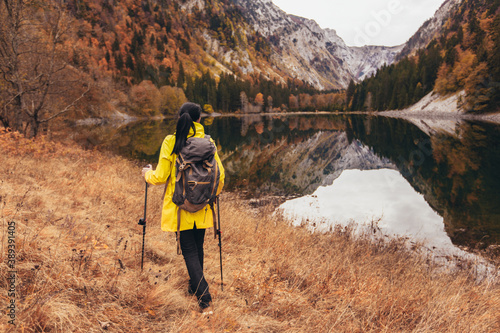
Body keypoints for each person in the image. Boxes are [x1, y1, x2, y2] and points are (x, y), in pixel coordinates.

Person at [142, 102, 224, 310]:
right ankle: (193, 286)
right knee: (197, 247)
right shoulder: (208, 141)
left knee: (189, 250)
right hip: (203, 206)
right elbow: (220, 175)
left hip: (181, 207)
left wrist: (146, 175)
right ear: (199, 119)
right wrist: (210, 195)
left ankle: (204, 298)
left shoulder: (172, 141)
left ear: (180, 118)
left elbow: (160, 176)